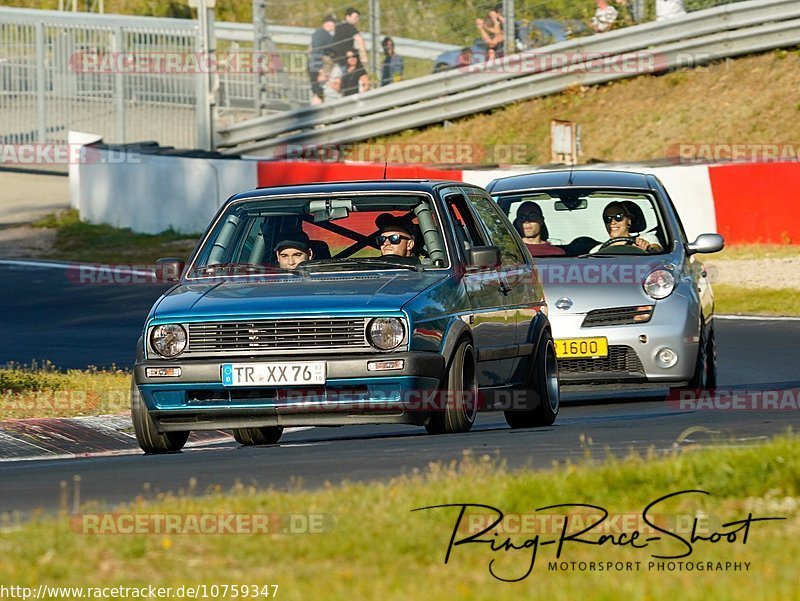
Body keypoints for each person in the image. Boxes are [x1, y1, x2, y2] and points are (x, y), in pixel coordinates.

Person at [591, 201, 662, 253]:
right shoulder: (597, 250)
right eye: (608, 219)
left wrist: (648, 248)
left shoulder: (646, 238)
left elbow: (657, 250)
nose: (612, 223)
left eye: (618, 217)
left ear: (629, 221)